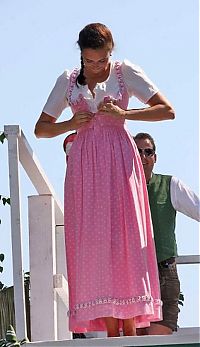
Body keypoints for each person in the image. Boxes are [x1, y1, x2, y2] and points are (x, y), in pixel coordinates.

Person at [34, 22, 175, 337]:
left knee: (126, 236)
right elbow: (41, 129)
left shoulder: (126, 73)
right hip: (85, 169)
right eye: (90, 61)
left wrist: (125, 115)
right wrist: (70, 122)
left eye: (102, 60)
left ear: (111, 52)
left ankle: (130, 327)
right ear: (81, 55)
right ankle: (112, 331)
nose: (96, 66)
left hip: (120, 163)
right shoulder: (68, 81)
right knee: (94, 242)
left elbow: (166, 110)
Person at [134, 132, 200, 335]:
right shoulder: (118, 188)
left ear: (155, 157)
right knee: (135, 338)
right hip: (132, 276)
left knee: (158, 338)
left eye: (148, 152)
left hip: (164, 272)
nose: (143, 157)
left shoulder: (170, 185)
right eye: (137, 152)